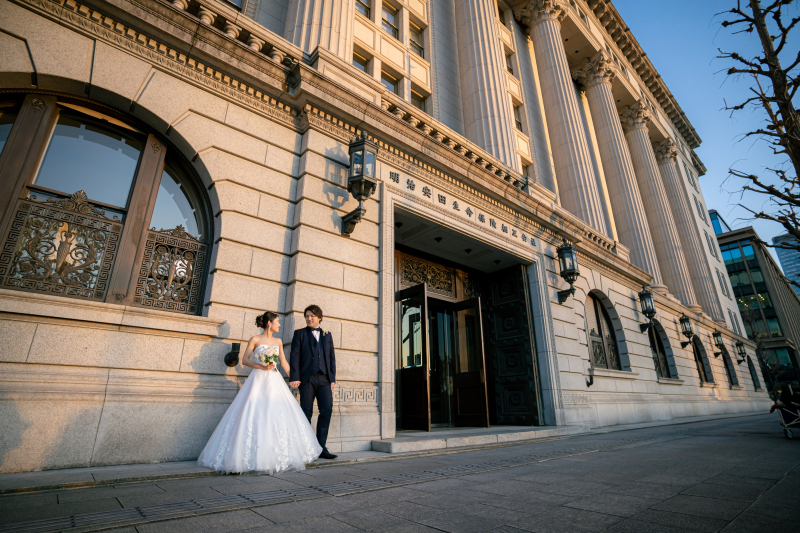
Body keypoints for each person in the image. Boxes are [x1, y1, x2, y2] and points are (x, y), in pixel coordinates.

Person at [197, 312, 322, 473]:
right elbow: (245, 359)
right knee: (252, 412)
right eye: (278, 322)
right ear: (269, 323)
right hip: (258, 379)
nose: (279, 325)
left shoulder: (278, 341)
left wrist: (296, 378)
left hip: (274, 379)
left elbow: (283, 362)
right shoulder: (255, 339)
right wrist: (261, 365)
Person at [290, 305, 338, 459]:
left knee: (327, 410)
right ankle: (306, 447)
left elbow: (331, 358)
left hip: (324, 379)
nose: (309, 318)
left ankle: (321, 447)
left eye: (312, 316)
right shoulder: (299, 334)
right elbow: (294, 356)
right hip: (307, 378)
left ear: (319, 317)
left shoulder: (327, 335)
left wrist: (332, 379)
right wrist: (295, 377)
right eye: (307, 316)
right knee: (306, 412)